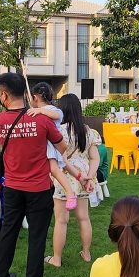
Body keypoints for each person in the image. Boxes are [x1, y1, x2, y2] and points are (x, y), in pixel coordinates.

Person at [0, 72, 68, 277]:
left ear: (4, 95)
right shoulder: (42, 120)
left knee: (8, 232)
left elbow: (6, 145)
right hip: (39, 188)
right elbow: (62, 147)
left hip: (12, 187)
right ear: (25, 93)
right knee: (37, 237)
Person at [47, 93, 100, 267]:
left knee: (61, 220)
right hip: (84, 178)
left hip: (64, 178)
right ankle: (86, 253)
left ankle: (57, 258)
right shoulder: (87, 131)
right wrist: (89, 177)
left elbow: (62, 160)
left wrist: (79, 175)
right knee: (84, 218)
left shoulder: (59, 131)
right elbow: (95, 158)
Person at [28, 82, 79, 210]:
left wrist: (40, 110)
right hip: (41, 146)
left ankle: (70, 193)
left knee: (54, 170)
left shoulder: (52, 110)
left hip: (50, 145)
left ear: (35, 97)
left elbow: (57, 115)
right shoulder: (36, 111)